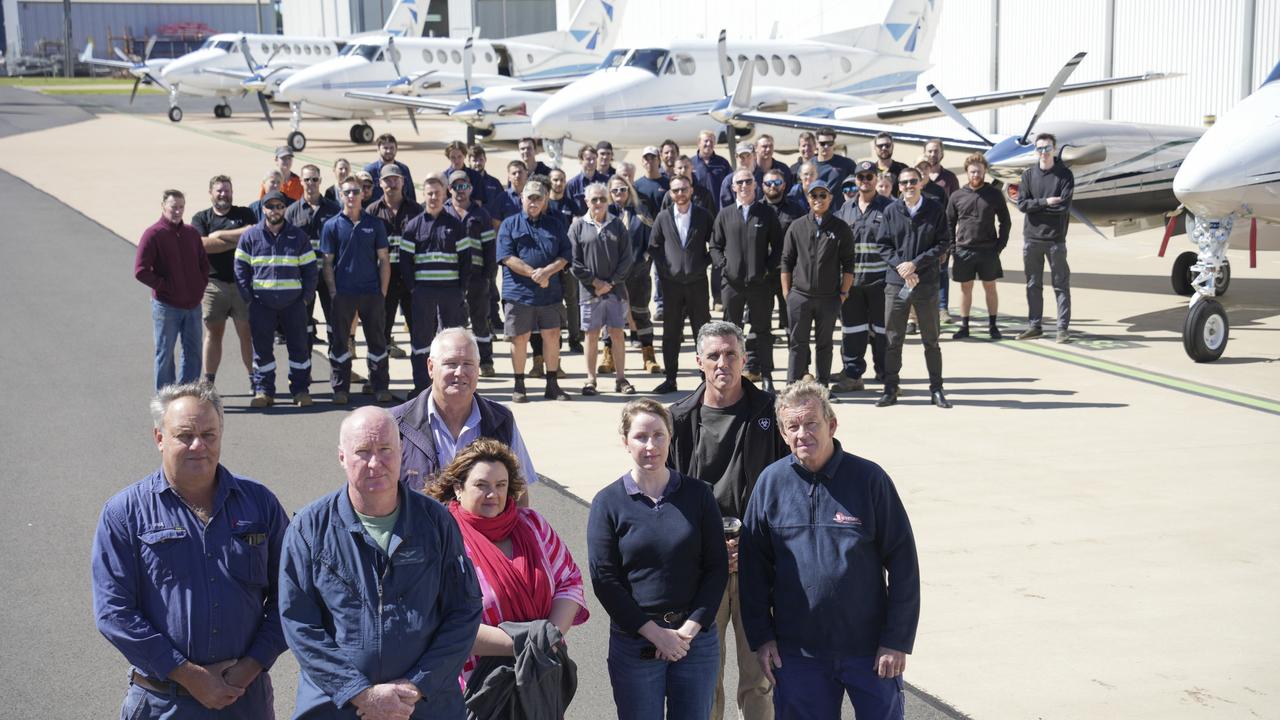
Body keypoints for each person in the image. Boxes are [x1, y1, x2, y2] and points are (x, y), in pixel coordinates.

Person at [92, 383, 289, 719]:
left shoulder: (260, 504)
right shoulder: (124, 513)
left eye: (209, 435)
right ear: (159, 438)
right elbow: (114, 612)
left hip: (244, 701)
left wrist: (251, 665)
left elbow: (292, 594)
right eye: (185, 435)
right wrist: (187, 674)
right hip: (163, 703)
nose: (199, 445)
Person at [279, 407, 484, 719]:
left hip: (425, 706)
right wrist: (360, 694)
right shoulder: (309, 529)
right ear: (342, 457)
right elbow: (299, 623)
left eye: (385, 449)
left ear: (400, 451)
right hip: (336, 707)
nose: (375, 463)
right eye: (362, 451)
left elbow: (464, 611)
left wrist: (416, 686)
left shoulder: (436, 522)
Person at [740, 381, 920, 720]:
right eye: (792, 426)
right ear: (782, 433)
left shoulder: (869, 479)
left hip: (868, 650)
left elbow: (903, 564)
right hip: (797, 654)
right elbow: (753, 571)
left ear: (831, 425)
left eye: (811, 423)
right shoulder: (770, 483)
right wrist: (762, 638)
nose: (802, 433)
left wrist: (896, 640)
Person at [667, 321, 788, 720]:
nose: (724, 363)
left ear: (744, 359)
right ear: (699, 362)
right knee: (705, 676)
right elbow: (666, 497)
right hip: (702, 567)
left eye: (731, 354)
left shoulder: (771, 412)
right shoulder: (679, 419)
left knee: (760, 676)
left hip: (759, 564)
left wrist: (750, 545)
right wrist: (709, 547)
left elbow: (790, 485)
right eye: (714, 355)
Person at [587, 399, 729, 720]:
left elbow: (717, 568)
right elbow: (605, 580)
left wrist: (687, 633)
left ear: (670, 437)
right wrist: (655, 634)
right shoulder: (607, 503)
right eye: (640, 437)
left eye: (658, 435)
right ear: (625, 442)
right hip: (636, 644)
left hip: (694, 643)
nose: (650, 446)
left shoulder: (699, 495)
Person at [425, 439, 589, 692]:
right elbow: (441, 622)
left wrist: (550, 637)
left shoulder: (532, 524)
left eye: (501, 485)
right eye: (482, 485)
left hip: (540, 679)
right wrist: (533, 642)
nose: (494, 494)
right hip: (475, 688)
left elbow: (569, 580)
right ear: (458, 488)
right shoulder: (441, 539)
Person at [390, 327, 539, 497]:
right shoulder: (396, 423)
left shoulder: (502, 419)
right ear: (431, 367)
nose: (460, 372)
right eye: (451, 364)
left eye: (468, 364)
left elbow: (519, 491)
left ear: (477, 368)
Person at [875, 167, 953, 409]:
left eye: (913, 182)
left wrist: (915, 265)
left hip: (926, 283)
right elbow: (883, 244)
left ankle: (937, 389)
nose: (909, 186)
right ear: (899, 187)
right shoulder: (891, 211)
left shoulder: (935, 209)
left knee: (931, 340)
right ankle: (890, 389)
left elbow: (943, 242)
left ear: (921, 184)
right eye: (905, 182)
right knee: (893, 339)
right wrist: (901, 267)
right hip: (897, 283)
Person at [234, 189, 318, 408]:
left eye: (279, 206)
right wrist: (249, 299)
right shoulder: (250, 236)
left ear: (284, 209)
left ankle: (300, 391)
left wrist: (305, 299)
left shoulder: (298, 236)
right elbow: (240, 270)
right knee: (262, 349)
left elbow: (310, 270)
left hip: (294, 305)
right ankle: (264, 391)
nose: (275, 210)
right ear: (263, 209)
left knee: (299, 348)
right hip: (261, 305)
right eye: (270, 206)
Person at [498, 179, 572, 402]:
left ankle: (552, 384)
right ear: (522, 199)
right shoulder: (509, 225)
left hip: (549, 293)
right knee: (519, 339)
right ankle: (519, 385)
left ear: (545, 200)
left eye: (538, 198)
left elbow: (566, 255)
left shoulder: (555, 224)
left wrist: (548, 272)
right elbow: (506, 257)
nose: (534, 202)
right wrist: (534, 274)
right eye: (530, 197)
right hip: (519, 294)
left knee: (552, 336)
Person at [320, 175, 392, 405]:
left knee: (377, 342)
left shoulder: (375, 224)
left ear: (363, 195)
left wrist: (382, 292)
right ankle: (340, 388)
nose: (351, 196)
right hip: (344, 294)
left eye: (356, 192)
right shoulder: (331, 225)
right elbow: (327, 262)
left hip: (371, 293)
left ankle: (380, 386)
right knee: (340, 342)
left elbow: (384, 260)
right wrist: (333, 292)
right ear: (341, 196)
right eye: (347, 192)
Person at [711, 169, 783, 392]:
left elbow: (779, 246)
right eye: (739, 182)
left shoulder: (766, 213)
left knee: (763, 331)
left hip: (759, 285)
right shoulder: (725, 214)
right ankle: (733, 378)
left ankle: (767, 376)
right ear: (733, 187)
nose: (744, 185)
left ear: (755, 185)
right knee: (731, 334)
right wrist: (724, 265)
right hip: (732, 285)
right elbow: (715, 246)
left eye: (748, 181)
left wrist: (767, 271)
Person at [780, 180, 854, 386]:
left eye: (823, 195)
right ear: (808, 199)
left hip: (829, 298)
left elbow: (849, 265)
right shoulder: (797, 226)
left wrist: (843, 293)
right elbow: (786, 261)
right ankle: (792, 385)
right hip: (800, 297)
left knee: (825, 344)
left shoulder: (841, 228)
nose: (818, 199)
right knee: (798, 344)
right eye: (814, 196)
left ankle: (823, 386)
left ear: (830, 198)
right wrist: (788, 294)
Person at [402, 176, 469, 397]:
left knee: (450, 341)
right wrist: (413, 288)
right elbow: (405, 260)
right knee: (421, 340)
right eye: (429, 193)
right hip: (423, 292)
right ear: (424, 195)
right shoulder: (413, 226)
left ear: (445, 195)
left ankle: (448, 385)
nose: (433, 197)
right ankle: (422, 386)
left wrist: (461, 289)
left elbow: (465, 258)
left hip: (450, 292)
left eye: (437, 193)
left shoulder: (455, 225)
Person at [136, 188, 209, 391]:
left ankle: (187, 396)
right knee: (165, 353)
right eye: (173, 207)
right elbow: (140, 270)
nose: (177, 211)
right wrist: (165, 286)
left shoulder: (191, 233)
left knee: (193, 352)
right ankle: (166, 402)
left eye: (181, 207)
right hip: (166, 307)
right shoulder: (153, 234)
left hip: (192, 305)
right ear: (163, 206)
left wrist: (199, 286)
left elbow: (203, 263)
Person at [650, 175, 715, 395]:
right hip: (672, 286)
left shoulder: (703, 216)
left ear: (691, 190)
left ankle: (706, 379)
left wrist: (702, 263)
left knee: (703, 333)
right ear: (670, 193)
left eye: (683, 189)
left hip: (697, 284)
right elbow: (654, 247)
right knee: (671, 334)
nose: (680, 194)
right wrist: (666, 270)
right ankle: (670, 379)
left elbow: (714, 244)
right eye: (675, 190)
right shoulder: (663, 217)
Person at [571, 182, 636, 395]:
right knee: (591, 334)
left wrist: (611, 283)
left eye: (602, 199)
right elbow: (573, 261)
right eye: (594, 199)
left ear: (608, 200)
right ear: (586, 202)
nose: (598, 203)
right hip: (589, 293)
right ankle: (590, 380)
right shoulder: (578, 226)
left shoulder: (617, 225)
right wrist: (595, 283)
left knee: (617, 333)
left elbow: (627, 258)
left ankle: (621, 379)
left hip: (615, 291)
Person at [832, 160, 893, 392]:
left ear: (876, 179)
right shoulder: (844, 210)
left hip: (880, 282)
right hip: (853, 284)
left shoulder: (888, 208)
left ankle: (886, 373)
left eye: (869, 177)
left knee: (882, 332)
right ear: (855, 180)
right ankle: (853, 375)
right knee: (852, 331)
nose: (865, 181)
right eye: (861, 177)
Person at [193, 175, 256, 387]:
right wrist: (236, 241)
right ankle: (209, 382)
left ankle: (254, 379)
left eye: (227, 190)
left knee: (246, 334)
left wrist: (219, 234)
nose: (223, 194)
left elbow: (251, 233)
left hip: (242, 285)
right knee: (213, 334)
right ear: (211, 193)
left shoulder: (244, 213)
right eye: (219, 190)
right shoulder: (201, 218)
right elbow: (202, 245)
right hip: (213, 286)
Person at [600, 175, 663, 376]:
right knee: (610, 316)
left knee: (641, 313)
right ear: (609, 193)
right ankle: (608, 355)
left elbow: (653, 240)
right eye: (615, 190)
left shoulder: (641, 211)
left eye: (623, 189)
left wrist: (645, 259)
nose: (619, 193)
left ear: (630, 191)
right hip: (610, 275)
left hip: (638, 273)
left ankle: (649, 355)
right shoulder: (604, 214)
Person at [1015, 132, 1075, 343]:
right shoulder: (1028, 176)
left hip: (1055, 240)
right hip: (1031, 240)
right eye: (1040, 148)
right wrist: (1046, 202)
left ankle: (1062, 328)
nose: (1044, 152)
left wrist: (1038, 206)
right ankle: (1034, 326)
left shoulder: (1065, 175)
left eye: (1047, 148)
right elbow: (1022, 205)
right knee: (1033, 284)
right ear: (1036, 150)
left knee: (1060, 285)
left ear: (1054, 149)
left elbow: (1064, 206)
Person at [947, 153, 1011, 340]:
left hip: (988, 250)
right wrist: (953, 249)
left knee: (990, 287)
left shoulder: (994, 194)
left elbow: (1005, 221)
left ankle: (993, 326)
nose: (976, 175)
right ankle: (964, 326)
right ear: (967, 172)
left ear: (985, 172)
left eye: (979, 171)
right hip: (963, 250)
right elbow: (949, 223)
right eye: (973, 171)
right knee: (965, 288)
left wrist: (999, 246)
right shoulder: (957, 196)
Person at [366, 163, 422, 362]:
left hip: (410, 281)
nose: (392, 183)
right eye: (387, 180)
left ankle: (422, 383)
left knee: (419, 334)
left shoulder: (416, 210)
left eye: (396, 179)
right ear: (380, 183)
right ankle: (378, 383)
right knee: (380, 332)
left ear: (403, 182)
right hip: (384, 282)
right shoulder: (371, 212)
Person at [446, 170, 499, 376]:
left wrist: (488, 275)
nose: (460, 191)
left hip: (477, 276)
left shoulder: (481, 214)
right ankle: (454, 361)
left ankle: (485, 361)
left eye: (464, 186)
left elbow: (489, 247)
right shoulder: (444, 212)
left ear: (470, 188)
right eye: (456, 186)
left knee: (480, 319)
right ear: (449, 189)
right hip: (451, 278)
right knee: (453, 322)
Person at [287, 164, 343, 351]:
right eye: (307, 179)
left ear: (320, 181)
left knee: (334, 323)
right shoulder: (292, 212)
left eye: (315, 179)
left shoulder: (334, 209)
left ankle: (337, 369)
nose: (311, 183)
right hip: (303, 277)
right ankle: (304, 369)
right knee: (304, 324)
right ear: (301, 182)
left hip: (329, 277)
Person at [364, 133, 417, 204]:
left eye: (391, 148)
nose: (389, 151)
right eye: (385, 148)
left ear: (396, 149)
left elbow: (411, 195)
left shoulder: (404, 169)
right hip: (376, 212)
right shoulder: (369, 171)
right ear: (378, 149)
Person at [813, 127, 857, 211]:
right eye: (822, 143)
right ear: (817, 144)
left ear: (834, 144)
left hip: (841, 214)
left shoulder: (847, 164)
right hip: (817, 214)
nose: (826, 146)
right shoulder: (809, 166)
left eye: (829, 143)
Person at [468, 145, 515, 218]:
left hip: (491, 224)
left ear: (485, 160)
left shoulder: (494, 183)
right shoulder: (464, 182)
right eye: (474, 160)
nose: (478, 163)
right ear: (469, 161)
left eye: (481, 159)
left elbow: (503, 203)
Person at [693, 129, 732, 210]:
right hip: (698, 210)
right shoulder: (690, 163)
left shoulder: (723, 163)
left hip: (719, 209)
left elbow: (730, 184)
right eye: (706, 141)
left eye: (712, 141)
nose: (709, 144)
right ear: (699, 143)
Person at [718, 143, 761, 207]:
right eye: (742, 157)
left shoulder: (763, 177)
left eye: (748, 156)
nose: (745, 160)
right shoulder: (728, 181)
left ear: (754, 156)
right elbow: (725, 209)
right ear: (736, 157)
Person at [567, 144, 608, 212]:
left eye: (594, 158)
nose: (592, 162)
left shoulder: (606, 181)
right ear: (581, 160)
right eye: (588, 159)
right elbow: (568, 209)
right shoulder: (572, 184)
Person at [868, 133, 909, 197]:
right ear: (875, 148)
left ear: (892, 146)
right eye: (880, 146)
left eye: (887, 145)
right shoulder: (870, 170)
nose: (884, 148)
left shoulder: (902, 169)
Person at [635, 146, 670, 217]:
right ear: (642, 162)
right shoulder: (637, 185)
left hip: (664, 225)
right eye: (646, 159)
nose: (650, 161)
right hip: (644, 226)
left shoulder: (669, 183)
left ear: (659, 161)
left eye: (653, 158)